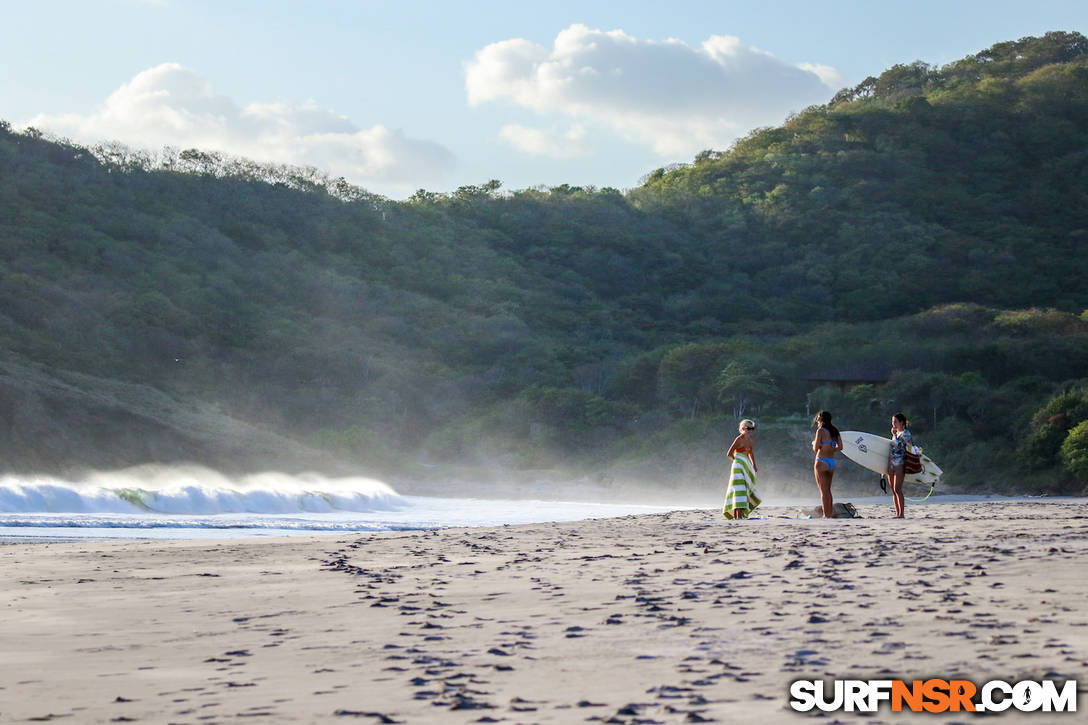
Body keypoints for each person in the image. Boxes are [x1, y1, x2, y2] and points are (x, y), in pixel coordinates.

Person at [723, 419, 762, 519]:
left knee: (744, 489)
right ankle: (737, 516)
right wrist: (737, 462)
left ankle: (739, 516)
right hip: (738, 466)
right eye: (748, 428)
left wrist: (754, 466)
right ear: (742, 429)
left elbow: (750, 454)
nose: (750, 430)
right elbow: (729, 453)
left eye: (752, 428)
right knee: (738, 489)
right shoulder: (738, 439)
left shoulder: (751, 441)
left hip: (746, 466)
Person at [812, 410, 842, 518]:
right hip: (831, 462)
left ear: (822, 419)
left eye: (818, 417)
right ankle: (829, 513)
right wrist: (831, 449)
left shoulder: (820, 431)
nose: (817, 419)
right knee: (828, 490)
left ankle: (826, 515)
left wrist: (813, 444)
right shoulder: (835, 431)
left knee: (823, 491)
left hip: (821, 461)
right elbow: (840, 447)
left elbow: (816, 448)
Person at [887, 412, 913, 518]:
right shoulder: (896, 434)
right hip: (892, 463)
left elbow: (899, 444)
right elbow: (892, 448)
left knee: (898, 489)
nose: (893, 424)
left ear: (901, 423)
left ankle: (901, 514)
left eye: (895, 422)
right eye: (892, 422)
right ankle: (897, 513)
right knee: (893, 490)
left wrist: (893, 435)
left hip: (900, 464)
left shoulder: (906, 433)